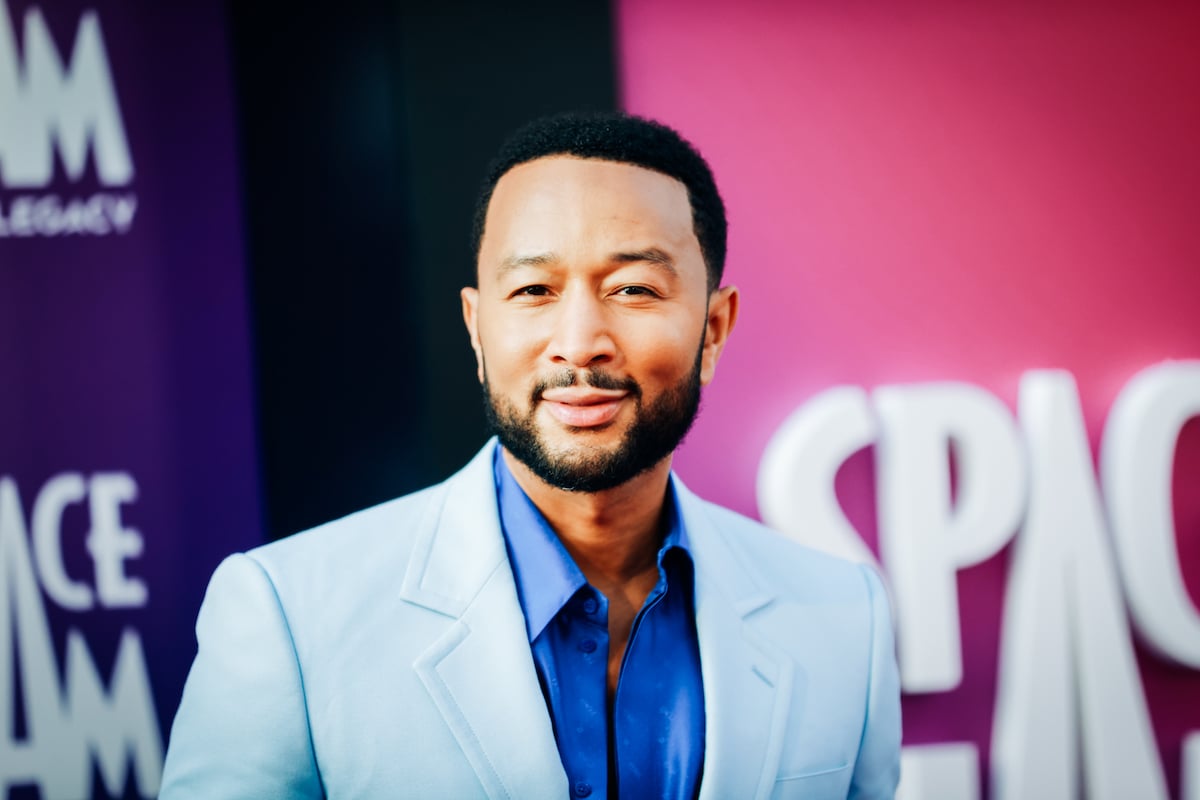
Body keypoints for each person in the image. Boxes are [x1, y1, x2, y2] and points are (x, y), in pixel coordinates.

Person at [160, 112, 901, 799]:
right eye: (535, 289)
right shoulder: (290, 614)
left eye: (634, 288)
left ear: (713, 329)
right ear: (478, 330)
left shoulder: (842, 618)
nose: (579, 342)